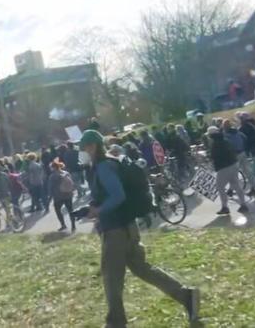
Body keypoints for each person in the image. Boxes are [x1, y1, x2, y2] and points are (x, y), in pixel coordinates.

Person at [81, 129, 200, 327]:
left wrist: (98, 211)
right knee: (143, 269)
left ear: (92, 146)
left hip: (115, 230)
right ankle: (187, 296)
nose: (82, 153)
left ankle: (116, 322)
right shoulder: (114, 160)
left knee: (112, 278)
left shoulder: (102, 166)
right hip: (128, 225)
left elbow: (118, 195)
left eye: (83, 148)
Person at [207, 126, 249, 215]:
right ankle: (243, 204)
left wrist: (207, 158)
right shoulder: (225, 139)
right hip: (234, 163)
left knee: (220, 187)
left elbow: (215, 156)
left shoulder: (215, 143)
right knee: (236, 185)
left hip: (224, 167)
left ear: (211, 135)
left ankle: (225, 207)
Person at [222, 119, 254, 200]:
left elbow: (226, 147)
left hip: (235, 155)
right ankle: (253, 188)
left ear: (224, 126)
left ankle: (231, 190)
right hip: (242, 152)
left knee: (233, 174)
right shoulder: (237, 131)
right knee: (247, 171)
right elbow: (245, 138)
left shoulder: (226, 134)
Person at [48, 159, 76, 232]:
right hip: (68, 195)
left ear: (53, 167)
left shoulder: (52, 176)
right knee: (70, 210)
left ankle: (63, 225)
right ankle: (73, 225)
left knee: (58, 210)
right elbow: (71, 183)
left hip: (58, 196)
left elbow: (51, 188)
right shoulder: (66, 173)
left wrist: (50, 198)